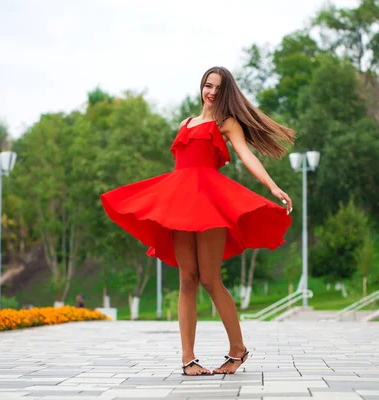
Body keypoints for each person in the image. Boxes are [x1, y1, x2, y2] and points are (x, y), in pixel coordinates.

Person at [100, 66, 295, 376]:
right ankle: (188, 358)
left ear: (226, 91)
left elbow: (246, 155)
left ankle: (238, 350)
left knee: (209, 279)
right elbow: (182, 168)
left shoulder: (227, 124)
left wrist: (272, 187)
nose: (212, 92)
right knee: (187, 279)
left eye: (218, 87)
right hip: (180, 202)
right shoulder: (186, 123)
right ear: (201, 87)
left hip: (210, 203)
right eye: (208, 85)